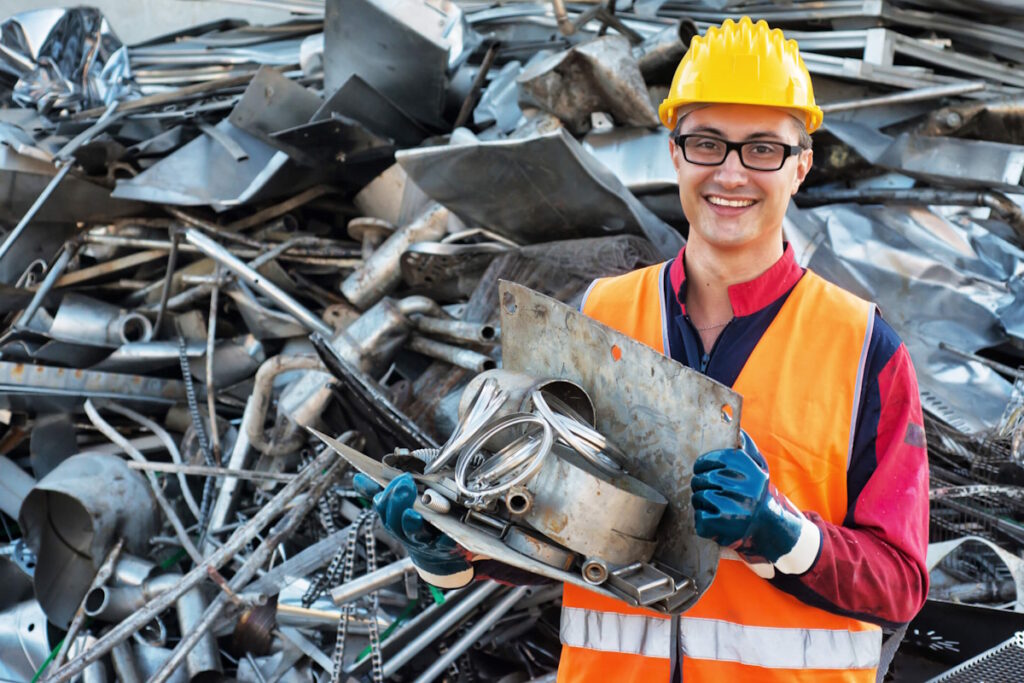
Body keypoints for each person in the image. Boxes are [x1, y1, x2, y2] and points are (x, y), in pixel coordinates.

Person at [357, 15, 930, 682]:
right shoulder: (602, 315)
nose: (732, 173)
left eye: (763, 149)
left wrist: (782, 531)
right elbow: (545, 527)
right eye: (708, 143)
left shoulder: (862, 348)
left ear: (800, 165)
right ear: (675, 153)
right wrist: (446, 547)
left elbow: (899, 586)